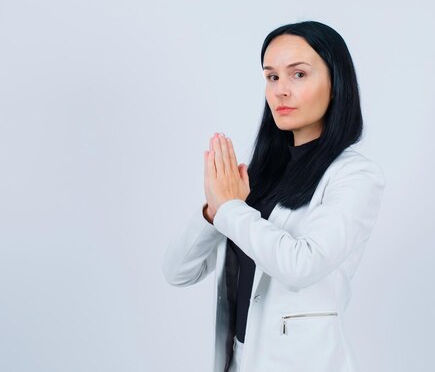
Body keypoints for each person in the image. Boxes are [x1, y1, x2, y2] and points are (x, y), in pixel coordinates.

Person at [161, 20, 385, 372]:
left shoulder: (355, 176)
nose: (280, 90)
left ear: (336, 84)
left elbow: (300, 266)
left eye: (298, 75)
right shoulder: (259, 176)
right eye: (272, 77)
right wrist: (212, 211)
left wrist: (231, 208)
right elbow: (178, 271)